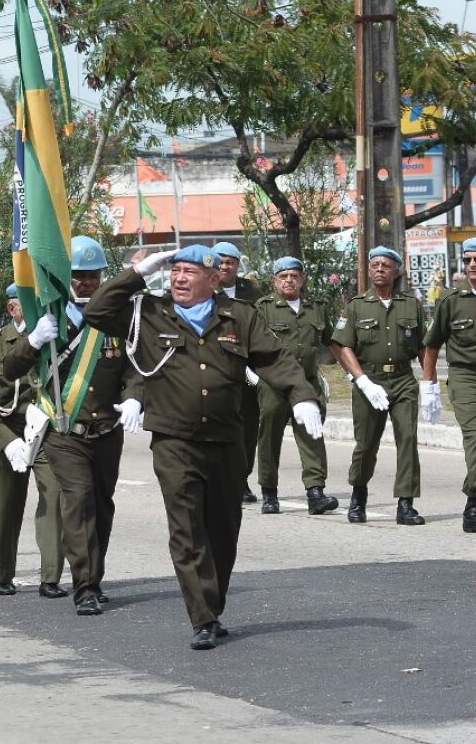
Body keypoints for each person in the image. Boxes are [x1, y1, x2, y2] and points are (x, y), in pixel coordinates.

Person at [84, 244, 322, 650]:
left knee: (223, 530)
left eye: (190, 273)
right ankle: (203, 617)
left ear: (214, 281)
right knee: (187, 529)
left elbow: (275, 359)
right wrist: (138, 272)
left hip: (227, 439)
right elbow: (97, 311)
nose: (178, 278)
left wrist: (302, 396)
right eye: (175, 271)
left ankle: (212, 603)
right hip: (174, 441)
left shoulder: (240, 317)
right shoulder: (148, 313)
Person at [5, 236, 144, 614]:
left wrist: (135, 395)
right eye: (79, 276)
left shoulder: (119, 315)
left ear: (103, 275)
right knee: (78, 501)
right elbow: (10, 367)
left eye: (92, 275)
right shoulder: (50, 314)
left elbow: (134, 365)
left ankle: (94, 578)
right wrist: (33, 340)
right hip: (65, 431)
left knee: (102, 505)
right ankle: (83, 588)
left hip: (107, 430)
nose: (85, 282)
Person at [0, 283, 65, 598]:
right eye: (28, 301)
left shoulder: (55, 334)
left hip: (46, 429)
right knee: (8, 503)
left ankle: (50, 577)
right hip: (10, 430)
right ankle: (3, 574)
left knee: (54, 496)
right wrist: (5, 440)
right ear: (13, 308)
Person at [420, 238, 476, 534]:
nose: (472, 265)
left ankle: (471, 505)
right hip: (464, 377)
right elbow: (432, 345)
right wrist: (429, 386)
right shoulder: (451, 299)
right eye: (467, 260)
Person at [332, 247, 427, 527]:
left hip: (403, 379)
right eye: (374, 264)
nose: (379, 269)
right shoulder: (356, 305)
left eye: (386, 265)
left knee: (407, 439)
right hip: (369, 380)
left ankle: (406, 503)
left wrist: (430, 382)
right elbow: (342, 345)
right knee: (366, 444)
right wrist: (360, 380)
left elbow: (424, 347)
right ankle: (358, 496)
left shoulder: (412, 305)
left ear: (397, 271)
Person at [252, 257, 342, 515]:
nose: (289, 280)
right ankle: (269, 492)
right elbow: (252, 345)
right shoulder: (264, 308)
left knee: (312, 434)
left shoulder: (317, 307)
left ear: (302, 279)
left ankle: (316, 492)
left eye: (294, 275)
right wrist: (254, 377)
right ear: (275, 281)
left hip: (307, 382)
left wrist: (352, 373)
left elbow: (333, 342)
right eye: (283, 276)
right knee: (270, 436)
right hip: (274, 383)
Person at [213, 241, 262, 503]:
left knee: (248, 427)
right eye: (219, 262)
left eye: (229, 262)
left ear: (237, 265)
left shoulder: (250, 289)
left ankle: (241, 480)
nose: (224, 267)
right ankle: (220, 477)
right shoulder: (206, 287)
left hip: (249, 370)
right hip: (217, 367)